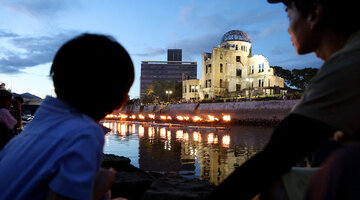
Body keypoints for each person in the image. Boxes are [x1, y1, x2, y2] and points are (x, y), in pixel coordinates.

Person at [206, 0, 360, 199]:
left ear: (314, 14)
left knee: (273, 183)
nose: (288, 29)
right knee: (326, 149)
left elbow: (278, 153)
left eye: (289, 16)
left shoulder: (348, 63)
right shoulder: (349, 55)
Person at [0, 33, 134, 200]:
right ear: (121, 100)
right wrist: (101, 186)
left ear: (56, 82)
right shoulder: (85, 133)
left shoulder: (36, 127)